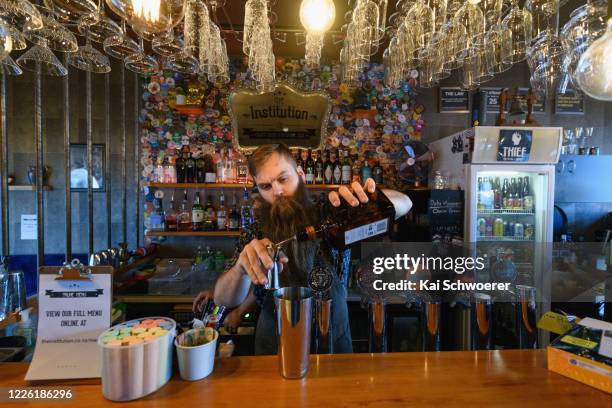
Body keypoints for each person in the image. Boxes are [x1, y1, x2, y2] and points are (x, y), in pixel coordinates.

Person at [214, 143, 412, 354]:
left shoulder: (330, 213)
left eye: (283, 179)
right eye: (266, 186)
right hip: (275, 340)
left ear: (300, 174)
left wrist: (369, 199)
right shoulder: (254, 233)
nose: (277, 191)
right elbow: (223, 299)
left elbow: (405, 204)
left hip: (333, 337)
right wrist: (239, 270)